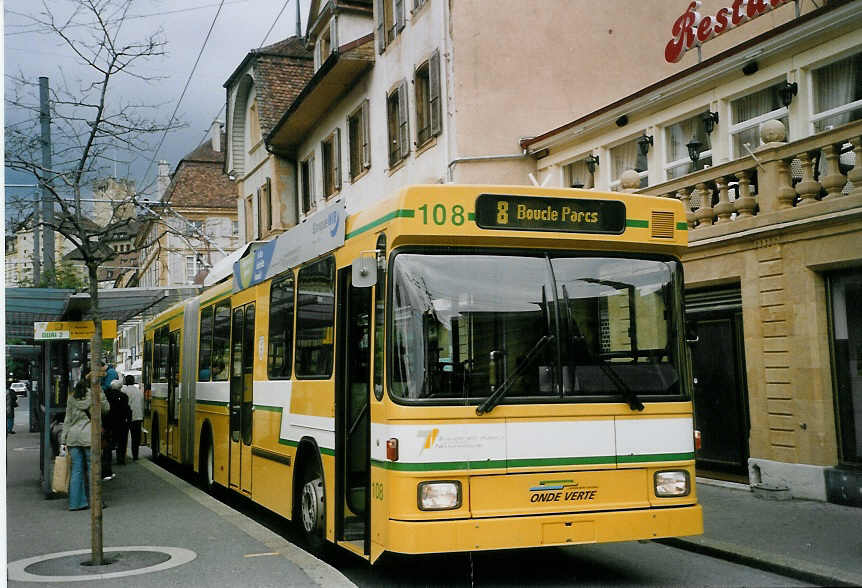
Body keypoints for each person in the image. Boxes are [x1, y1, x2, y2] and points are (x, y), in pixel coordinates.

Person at [61, 370, 108, 511]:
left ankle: (76, 503)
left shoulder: (71, 397)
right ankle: (96, 502)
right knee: (93, 470)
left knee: (76, 470)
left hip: (73, 438)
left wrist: (64, 439)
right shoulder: (95, 395)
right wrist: (100, 391)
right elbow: (106, 408)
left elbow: (67, 419)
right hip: (89, 437)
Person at [106, 379, 130, 465]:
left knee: (109, 441)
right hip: (122, 422)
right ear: (120, 387)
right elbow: (127, 410)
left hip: (110, 422)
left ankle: (108, 458)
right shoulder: (124, 397)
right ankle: (121, 458)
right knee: (122, 442)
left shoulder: (107, 396)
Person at [122, 375, 144, 461]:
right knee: (136, 438)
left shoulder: (124, 390)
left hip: (127, 417)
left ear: (126, 381)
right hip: (138, 416)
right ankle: (135, 455)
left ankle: (122, 455)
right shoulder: (138, 391)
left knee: (124, 437)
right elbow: (141, 403)